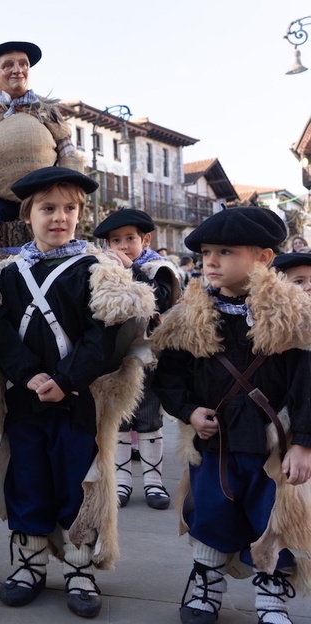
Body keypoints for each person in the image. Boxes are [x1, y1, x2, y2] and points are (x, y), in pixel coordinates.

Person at [0, 167, 154, 618]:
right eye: (48, 208)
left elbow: (102, 336)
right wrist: (29, 375)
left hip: (77, 400)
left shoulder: (96, 270)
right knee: (26, 477)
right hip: (24, 398)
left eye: (69, 208)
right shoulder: (8, 274)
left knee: (79, 480)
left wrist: (66, 380)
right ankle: (29, 564)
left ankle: (79, 568)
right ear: (27, 215)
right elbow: (1, 334)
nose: (59, 217)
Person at [152, 208, 311, 624]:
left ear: (263, 257)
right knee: (210, 511)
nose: (211, 261)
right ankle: (206, 586)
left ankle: (271, 596)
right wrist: (189, 411)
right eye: (206, 252)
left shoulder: (295, 316)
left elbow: (307, 386)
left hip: (272, 446)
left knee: (272, 518)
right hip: (215, 441)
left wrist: (304, 444)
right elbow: (169, 377)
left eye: (225, 251)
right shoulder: (188, 317)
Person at [0, 41, 79, 265]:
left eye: (23, 64)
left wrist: (73, 188)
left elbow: (68, 154)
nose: (17, 70)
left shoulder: (48, 115)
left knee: (57, 224)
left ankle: (63, 261)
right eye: (8, 65)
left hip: (44, 195)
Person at [93, 209, 182, 510]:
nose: (123, 246)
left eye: (130, 238)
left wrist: (131, 269)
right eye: (115, 240)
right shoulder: (103, 271)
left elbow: (159, 298)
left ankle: (154, 483)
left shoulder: (159, 269)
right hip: (115, 359)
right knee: (119, 420)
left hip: (148, 358)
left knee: (148, 419)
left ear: (145, 240)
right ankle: (121, 483)